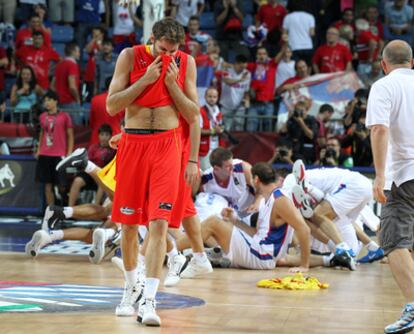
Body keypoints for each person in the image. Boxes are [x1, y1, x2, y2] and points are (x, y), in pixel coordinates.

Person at [106, 18, 199, 326]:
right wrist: (145, 81)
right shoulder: (130, 56)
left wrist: (171, 84)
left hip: (167, 147)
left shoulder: (186, 63)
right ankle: (130, 287)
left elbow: (193, 115)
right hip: (133, 143)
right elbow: (111, 105)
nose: (167, 56)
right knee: (129, 226)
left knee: (159, 224)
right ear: (152, 39)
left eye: (173, 50)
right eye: (162, 49)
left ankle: (149, 300)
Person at [177, 162, 347, 271]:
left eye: (251, 180)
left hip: (261, 255)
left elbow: (303, 228)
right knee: (219, 222)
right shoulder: (268, 199)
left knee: (213, 222)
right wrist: (235, 221)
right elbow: (256, 233)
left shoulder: (279, 199)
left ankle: (171, 252)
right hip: (262, 251)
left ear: (257, 179)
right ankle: (329, 259)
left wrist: (304, 265)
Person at [366, 40, 414, 334]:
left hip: (405, 174)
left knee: (392, 239)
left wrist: (380, 175)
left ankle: (413, 305)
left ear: (383, 64)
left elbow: (380, 128)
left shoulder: (384, 86)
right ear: (412, 62)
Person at [35, 90, 74, 206]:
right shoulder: (42, 117)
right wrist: (39, 150)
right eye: (45, 101)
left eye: (49, 100)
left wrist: (69, 152)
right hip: (45, 154)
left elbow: (70, 135)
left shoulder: (64, 116)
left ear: (56, 101)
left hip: (59, 154)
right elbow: (42, 133)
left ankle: (63, 205)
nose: (46, 103)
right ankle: (50, 212)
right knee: (47, 184)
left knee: (61, 185)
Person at [67, 124, 116, 206]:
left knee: (103, 184)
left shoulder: (114, 150)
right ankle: (70, 209)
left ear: (111, 136)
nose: (104, 137)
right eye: (102, 134)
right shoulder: (93, 147)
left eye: (107, 135)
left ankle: (96, 209)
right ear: (98, 136)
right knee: (77, 181)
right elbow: (87, 161)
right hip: (89, 174)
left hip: (103, 175)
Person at [219, 54, 250, 131]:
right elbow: (228, 81)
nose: (242, 69)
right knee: (226, 129)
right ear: (236, 63)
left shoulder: (247, 73)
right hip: (226, 106)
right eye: (240, 66)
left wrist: (247, 99)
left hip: (240, 107)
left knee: (239, 129)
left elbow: (246, 90)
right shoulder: (226, 70)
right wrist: (239, 80)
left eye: (244, 66)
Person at [199, 87, 225, 171]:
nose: (212, 99)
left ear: (217, 98)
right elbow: (198, 131)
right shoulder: (201, 111)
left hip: (217, 148)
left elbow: (219, 126)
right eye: (210, 96)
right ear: (205, 97)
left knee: (216, 174)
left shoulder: (218, 111)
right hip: (205, 149)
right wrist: (214, 131)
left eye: (214, 97)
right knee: (205, 174)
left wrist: (221, 129)